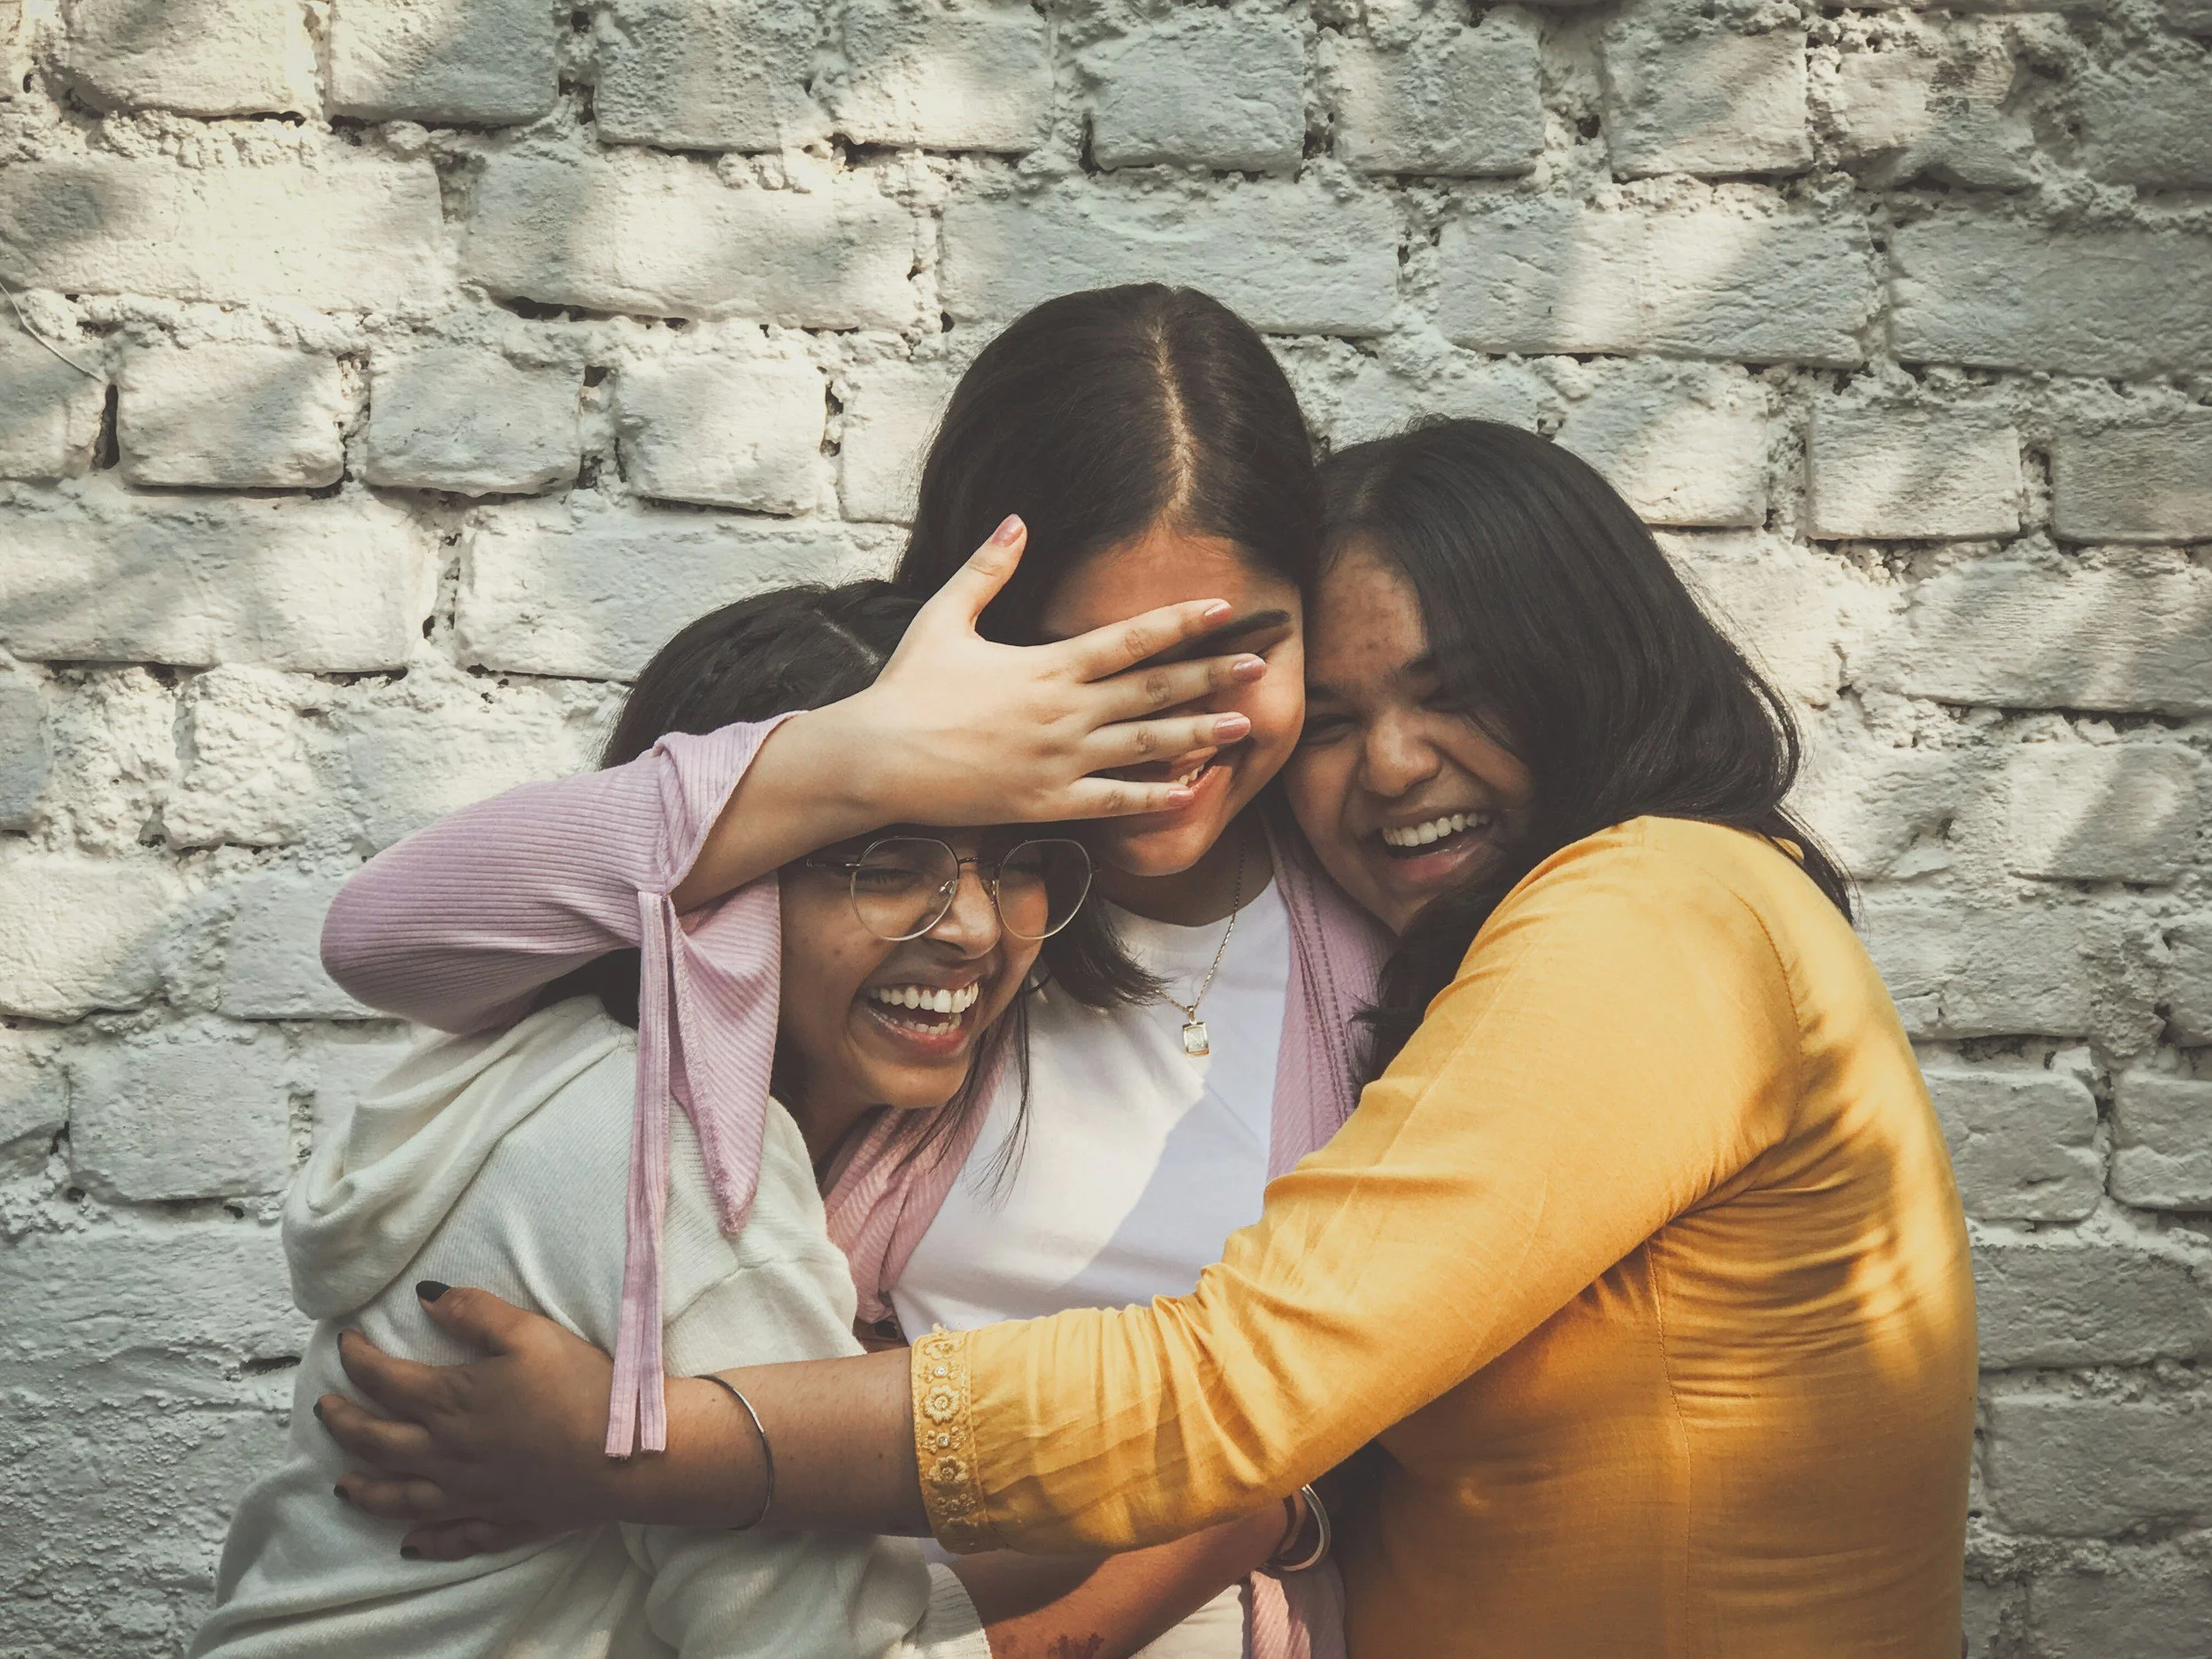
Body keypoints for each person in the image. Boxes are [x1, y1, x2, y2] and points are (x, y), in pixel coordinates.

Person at [319, 420, 1980, 1658]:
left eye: (1459, 694)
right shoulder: (1021, 947)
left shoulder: (1653, 915)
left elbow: (1239, 1389)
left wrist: (665, 1446)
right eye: (1335, 717)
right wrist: (863, 760)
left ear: (1592, 672)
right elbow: (392, 933)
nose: (1391, 765)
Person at [311, 285, 1390, 1659]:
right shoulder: (863, 930)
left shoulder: (1372, 950)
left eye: (1242, 648)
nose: (1181, 722)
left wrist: (1252, 1515)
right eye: (1104, 663)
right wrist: (864, 754)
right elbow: (387, 937)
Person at [193, 580, 1299, 1659]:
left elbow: (823, 1578)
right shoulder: (678, 1162)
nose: (969, 926)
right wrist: (1236, 1513)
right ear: (717, 882)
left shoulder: (543, 1068)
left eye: (1015, 863)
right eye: (881, 860)